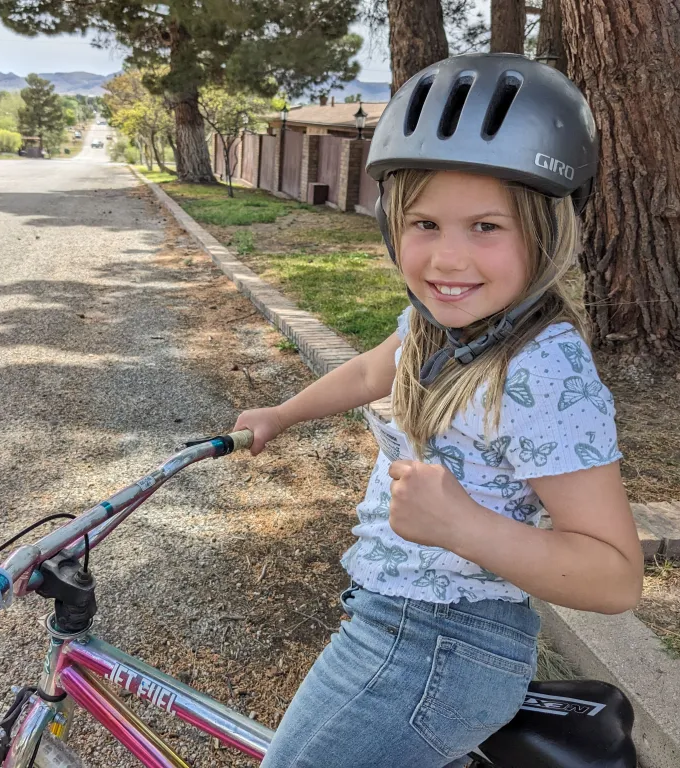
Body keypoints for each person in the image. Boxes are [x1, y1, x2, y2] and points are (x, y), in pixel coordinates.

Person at [234, 53, 644, 768]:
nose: (447, 260)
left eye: (486, 226)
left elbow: (614, 577)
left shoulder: (541, 368)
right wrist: (282, 412)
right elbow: (372, 369)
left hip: (445, 649)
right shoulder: (436, 324)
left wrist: (462, 526)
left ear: (545, 232)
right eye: (424, 222)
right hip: (388, 624)